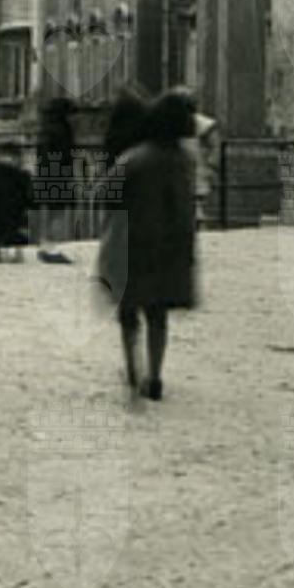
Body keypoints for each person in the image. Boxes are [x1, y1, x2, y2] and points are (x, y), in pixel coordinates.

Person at [112, 87, 213, 401]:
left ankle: (133, 370)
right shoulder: (184, 160)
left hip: (134, 243)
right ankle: (155, 376)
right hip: (170, 246)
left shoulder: (135, 158)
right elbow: (188, 205)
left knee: (129, 311)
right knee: (158, 314)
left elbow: (105, 192)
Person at [91, 87, 151, 309]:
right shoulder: (145, 141)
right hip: (140, 200)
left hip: (117, 198)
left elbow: (105, 172)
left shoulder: (113, 136)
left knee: (115, 237)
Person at [0, 143, 34, 263]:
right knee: (14, 228)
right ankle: (14, 251)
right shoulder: (22, 176)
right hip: (15, 216)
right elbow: (30, 199)